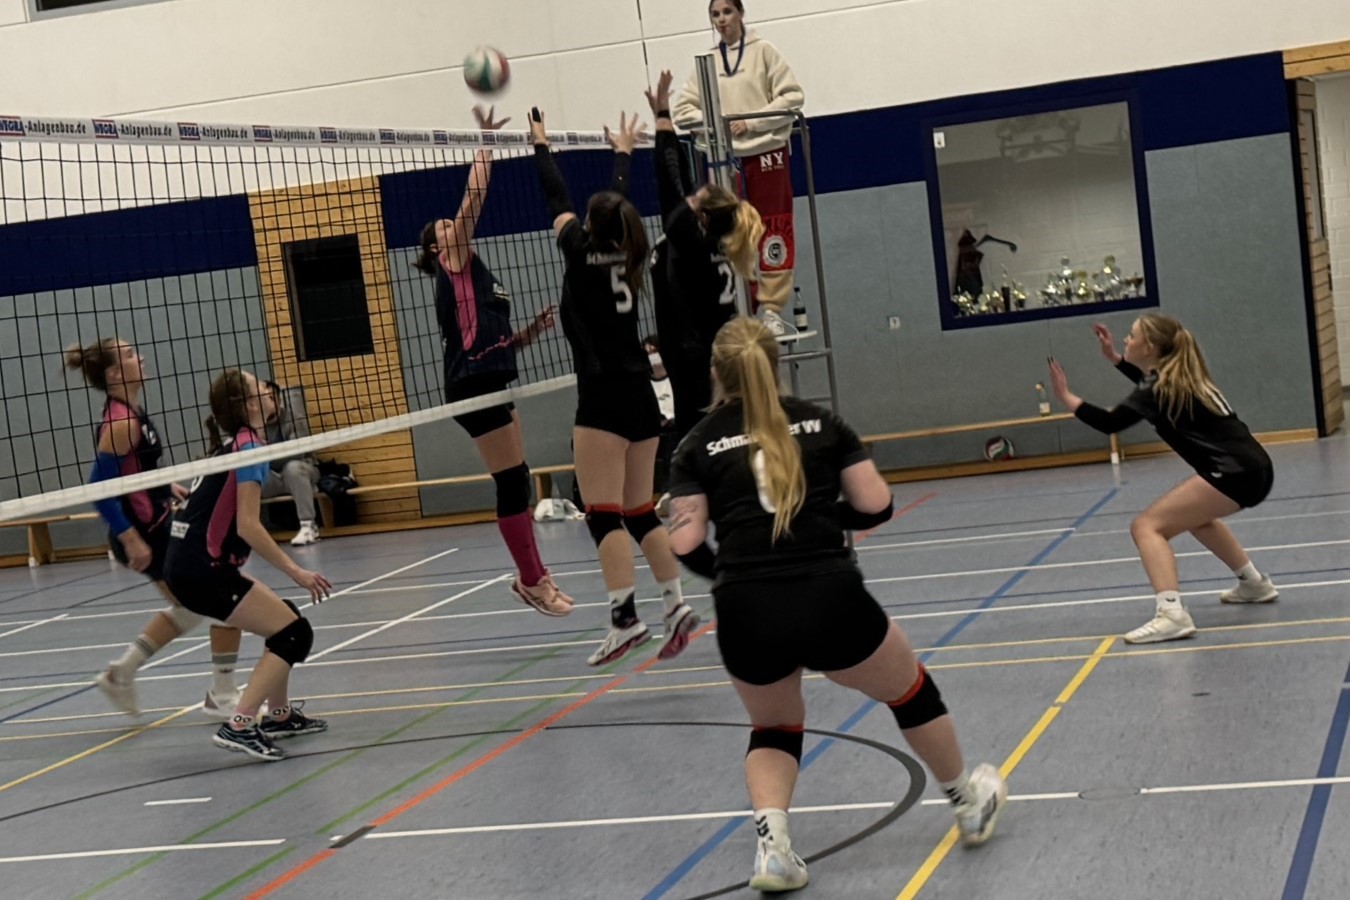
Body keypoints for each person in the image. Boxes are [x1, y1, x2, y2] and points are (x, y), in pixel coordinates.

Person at [667, 317, 1006, 891]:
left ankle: (774, 851)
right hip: (829, 594)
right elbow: (876, 504)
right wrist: (820, 519)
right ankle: (966, 803)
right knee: (910, 691)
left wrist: (732, 571)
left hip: (746, 607)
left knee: (774, 726)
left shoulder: (695, 444)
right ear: (776, 363)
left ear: (716, 372)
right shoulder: (822, 423)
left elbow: (685, 543)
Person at [530, 105, 700, 665]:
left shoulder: (579, 252)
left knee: (604, 514)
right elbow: (615, 203)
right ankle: (675, 605)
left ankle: (625, 620)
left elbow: (556, 197)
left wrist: (540, 144)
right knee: (640, 512)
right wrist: (623, 153)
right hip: (641, 399)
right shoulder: (629, 249)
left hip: (602, 399)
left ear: (590, 222)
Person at [413, 105, 572, 617]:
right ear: (436, 248)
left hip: (491, 377)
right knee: (511, 482)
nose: (452, 225)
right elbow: (473, 201)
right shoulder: (453, 260)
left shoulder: (478, 273)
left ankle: (536, 575)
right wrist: (485, 144)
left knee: (518, 475)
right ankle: (531, 581)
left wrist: (529, 334)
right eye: (444, 227)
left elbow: (490, 340)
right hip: (471, 386)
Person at [1048, 316, 1280, 644]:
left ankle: (1172, 615)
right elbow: (1146, 388)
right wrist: (1114, 357)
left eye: (1131, 336)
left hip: (1233, 473)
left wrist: (1066, 396)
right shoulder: (1178, 376)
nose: (1126, 340)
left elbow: (1110, 422)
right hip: (1255, 469)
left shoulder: (1158, 387)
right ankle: (1254, 583)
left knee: (1146, 527)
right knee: (1198, 519)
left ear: (1150, 348)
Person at [65, 338, 242, 719]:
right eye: (130, 355)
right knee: (222, 599)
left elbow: (136, 471)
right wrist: (130, 539)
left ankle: (121, 673)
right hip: (144, 532)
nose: (140, 357)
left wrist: (164, 486)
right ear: (115, 373)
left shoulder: (131, 411)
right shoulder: (121, 423)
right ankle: (221, 694)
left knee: (195, 606)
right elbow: (99, 488)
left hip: (158, 522)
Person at [165, 371, 332, 761]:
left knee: (285, 618)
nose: (270, 391)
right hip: (201, 570)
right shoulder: (249, 449)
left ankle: (278, 715)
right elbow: (248, 525)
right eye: (261, 388)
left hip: (193, 564)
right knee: (295, 634)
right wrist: (297, 571)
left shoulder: (238, 444)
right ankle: (239, 725)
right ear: (250, 404)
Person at [648, 69, 766, 443]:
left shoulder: (691, 241)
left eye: (695, 201)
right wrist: (664, 118)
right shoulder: (725, 237)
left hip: (694, 351)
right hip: (719, 341)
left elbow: (669, 184)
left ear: (702, 217)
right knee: (732, 424)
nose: (690, 199)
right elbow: (681, 185)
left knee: (701, 432)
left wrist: (662, 119)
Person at [673, 0, 804, 335]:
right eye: (715, 14)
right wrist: (718, 124)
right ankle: (742, 308)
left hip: (767, 155)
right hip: (724, 159)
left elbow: (792, 97)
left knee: (773, 228)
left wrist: (753, 122)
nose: (721, 19)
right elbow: (682, 111)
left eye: (727, 12)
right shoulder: (707, 62)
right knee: (728, 230)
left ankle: (772, 311)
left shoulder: (764, 51)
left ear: (741, 13)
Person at [260, 379, 323, 546]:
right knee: (247, 475)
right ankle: (249, 532)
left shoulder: (294, 419)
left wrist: (266, 457)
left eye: (270, 398)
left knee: (292, 468)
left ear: (277, 400)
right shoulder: (255, 426)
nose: (266, 402)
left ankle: (309, 526)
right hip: (273, 477)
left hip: (303, 470)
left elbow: (295, 454)